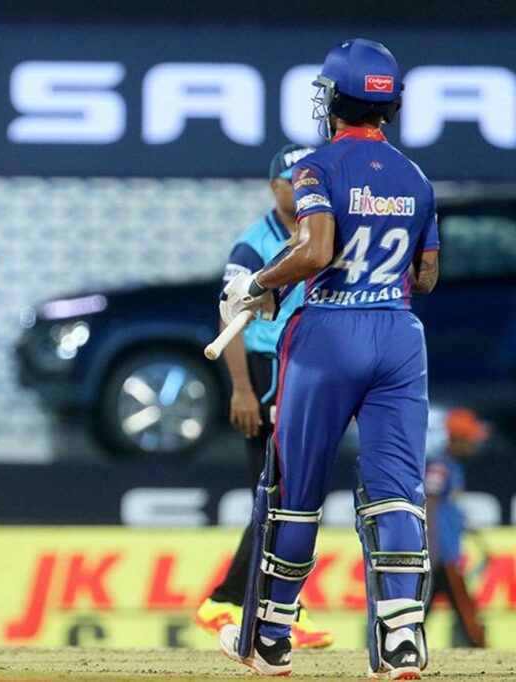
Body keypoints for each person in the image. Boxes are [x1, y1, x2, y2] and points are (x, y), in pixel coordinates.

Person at [216, 39, 440, 679]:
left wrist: (258, 285)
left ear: (336, 99)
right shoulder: (416, 177)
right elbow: (425, 275)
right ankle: (402, 641)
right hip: (399, 336)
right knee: (397, 494)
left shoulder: (316, 168)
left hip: (330, 331)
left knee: (295, 490)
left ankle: (271, 638)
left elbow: (313, 252)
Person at [194, 144, 332, 650]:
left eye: (309, 179)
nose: (302, 188)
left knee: (286, 493)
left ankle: (252, 601)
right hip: (265, 369)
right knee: (277, 494)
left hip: (301, 366)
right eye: (292, 181)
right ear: (274, 187)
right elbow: (229, 316)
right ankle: (243, 602)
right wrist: (243, 390)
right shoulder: (255, 243)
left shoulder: (323, 231)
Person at [425, 407, 488, 648]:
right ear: (458, 438)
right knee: (464, 608)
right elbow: (429, 504)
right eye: (470, 440)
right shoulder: (440, 467)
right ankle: (483, 650)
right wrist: (433, 548)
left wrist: (469, 529)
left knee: (424, 608)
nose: (473, 445)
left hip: (444, 551)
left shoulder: (451, 466)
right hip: (443, 554)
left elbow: (449, 507)